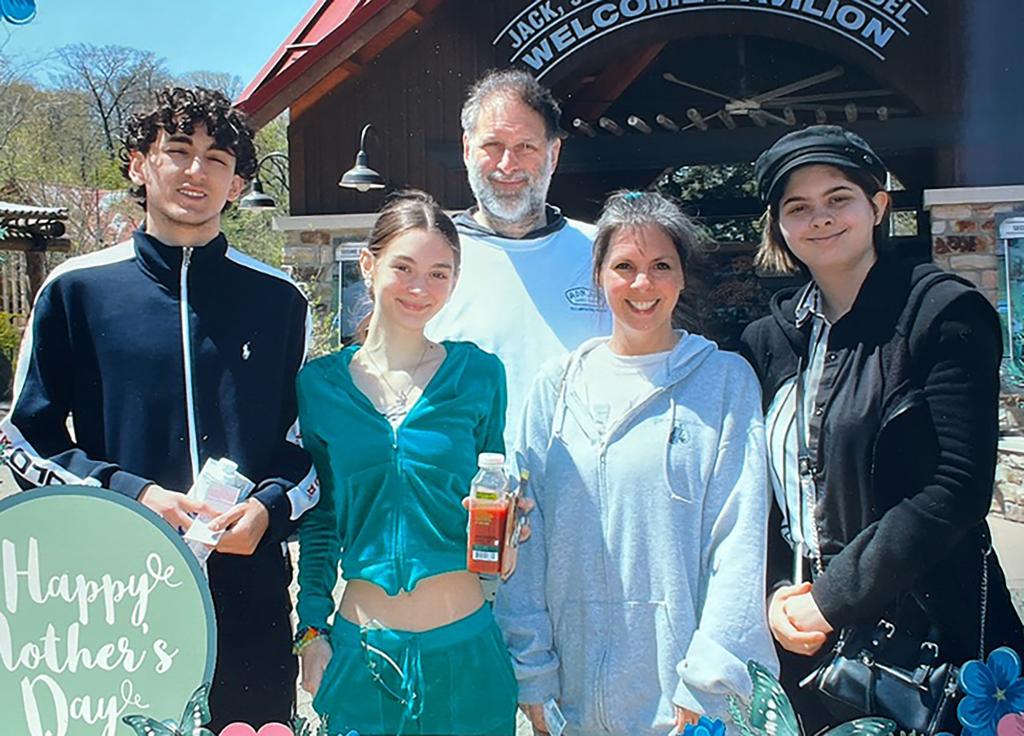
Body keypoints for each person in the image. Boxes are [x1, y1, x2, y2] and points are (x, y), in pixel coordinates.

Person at [0, 86, 316, 731]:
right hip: (115, 596)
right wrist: (132, 497)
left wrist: (269, 507)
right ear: (138, 165)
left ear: (237, 184)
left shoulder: (280, 300)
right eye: (177, 151)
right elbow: (24, 440)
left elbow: (308, 448)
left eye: (217, 159)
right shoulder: (76, 291)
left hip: (247, 589)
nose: (196, 171)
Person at [739, 125, 1024, 730]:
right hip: (806, 639)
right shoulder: (769, 340)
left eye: (838, 197)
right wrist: (779, 599)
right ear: (779, 226)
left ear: (878, 205)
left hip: (929, 640)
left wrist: (831, 598)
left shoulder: (941, 314)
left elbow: (957, 489)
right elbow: (759, 492)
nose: (820, 218)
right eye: (798, 207)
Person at [495, 190, 777, 736]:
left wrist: (708, 680)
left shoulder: (725, 382)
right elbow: (527, 542)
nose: (642, 285)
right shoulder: (555, 388)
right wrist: (532, 675)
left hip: (687, 708)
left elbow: (739, 541)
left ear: (682, 277)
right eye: (624, 266)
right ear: (599, 274)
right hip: (571, 703)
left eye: (660, 267)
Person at [294, 191, 518, 736]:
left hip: (467, 655)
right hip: (364, 658)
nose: (421, 288)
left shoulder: (478, 376)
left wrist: (510, 531)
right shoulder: (318, 386)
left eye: (440, 273)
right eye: (404, 267)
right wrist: (310, 632)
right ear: (368, 265)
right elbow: (321, 521)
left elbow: (492, 495)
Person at [426, 68, 610, 445]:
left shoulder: (603, 254)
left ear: (553, 153)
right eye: (492, 145)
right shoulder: (429, 258)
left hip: (581, 496)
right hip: (463, 495)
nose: (507, 164)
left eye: (526, 146)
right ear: (466, 150)